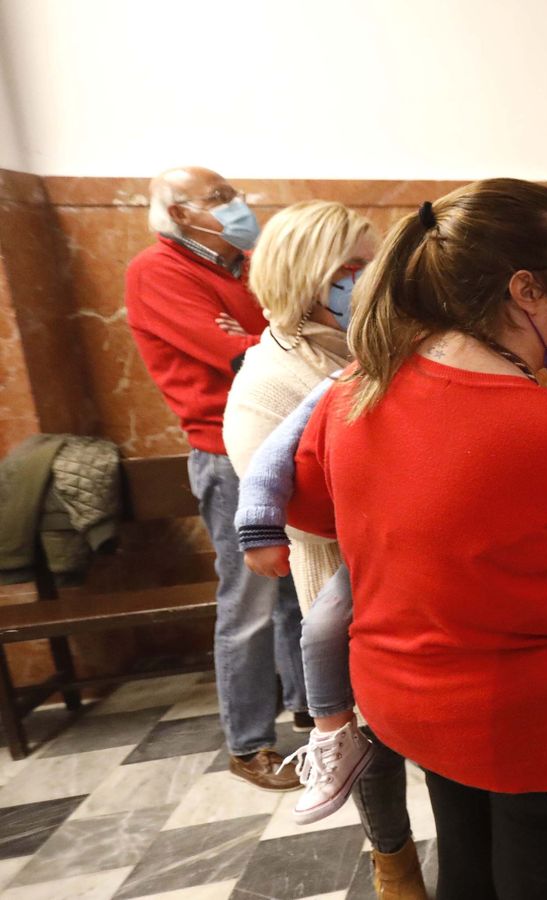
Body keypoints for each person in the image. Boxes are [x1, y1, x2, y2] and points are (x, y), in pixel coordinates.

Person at [286, 179, 547, 898]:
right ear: (526, 289)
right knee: (541, 877)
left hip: (406, 702)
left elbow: (310, 509)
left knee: (466, 858)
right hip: (535, 722)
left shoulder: (354, 393)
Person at [223, 202, 425, 898]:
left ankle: (474, 847)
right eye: (353, 268)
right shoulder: (267, 382)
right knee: (372, 737)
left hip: (425, 568)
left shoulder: (385, 339)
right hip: (345, 576)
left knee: (442, 714)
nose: (370, 281)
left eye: (372, 265)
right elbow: (289, 506)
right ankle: (393, 862)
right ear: (309, 276)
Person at [125, 167, 304, 791]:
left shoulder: (248, 264)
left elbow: (299, 332)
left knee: (298, 591)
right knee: (249, 603)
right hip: (228, 454)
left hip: (286, 440)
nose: (239, 205)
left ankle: (312, 717)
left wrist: (268, 338)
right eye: (220, 198)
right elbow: (243, 353)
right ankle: (249, 744)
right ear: (178, 213)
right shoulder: (159, 271)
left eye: (236, 194)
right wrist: (269, 339)